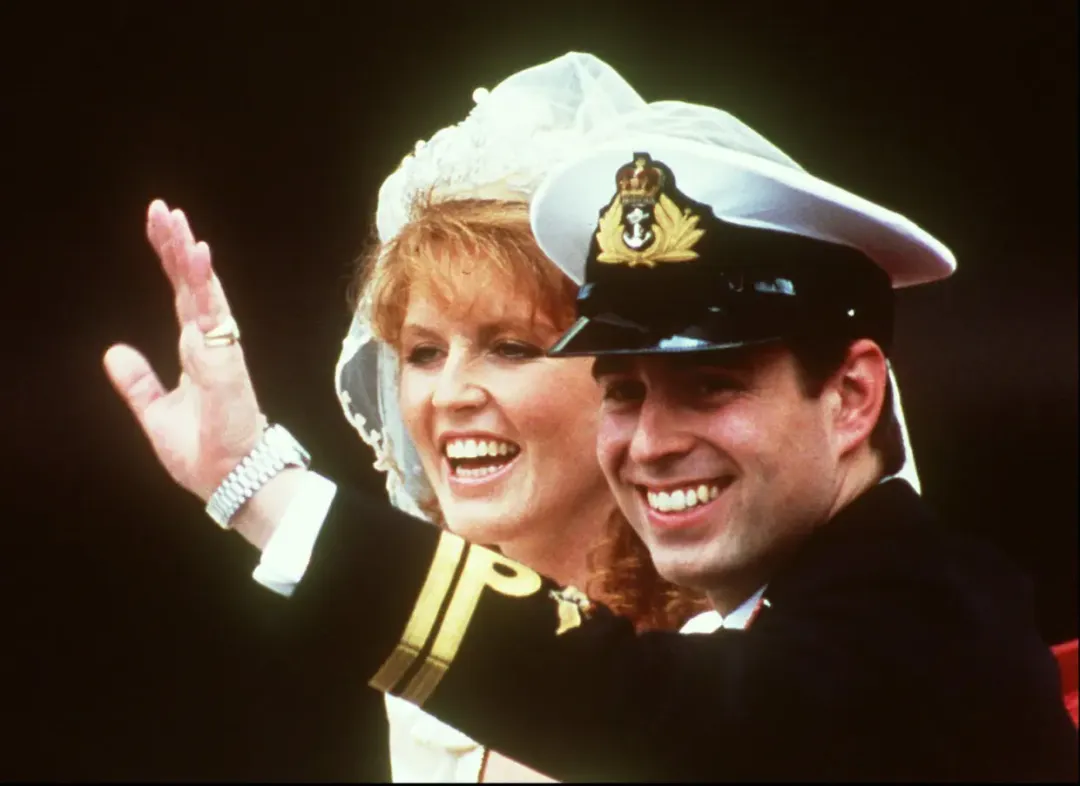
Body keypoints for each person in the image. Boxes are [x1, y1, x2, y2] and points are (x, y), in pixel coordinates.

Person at [103, 81, 1078, 779]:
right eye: (623, 390)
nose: (651, 441)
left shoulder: (924, 622)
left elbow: (659, 712)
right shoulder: (787, 613)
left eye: (710, 386)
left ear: (854, 396)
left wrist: (259, 484)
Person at [327, 53, 712, 781]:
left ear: (628, 379)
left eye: (509, 348)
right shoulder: (424, 681)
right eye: (423, 353)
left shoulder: (726, 666)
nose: (448, 395)